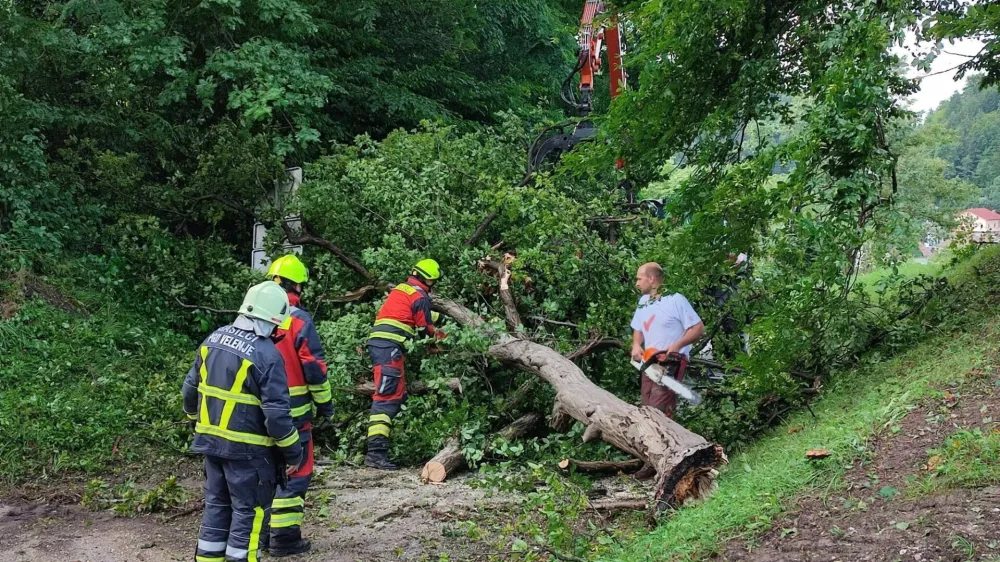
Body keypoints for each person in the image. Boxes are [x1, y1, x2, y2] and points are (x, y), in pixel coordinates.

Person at [182, 281, 303, 562]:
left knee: (216, 509)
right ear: (272, 320)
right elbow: (277, 417)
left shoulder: (213, 339)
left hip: (211, 446)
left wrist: (194, 419)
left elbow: (189, 390)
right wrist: (293, 453)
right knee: (248, 515)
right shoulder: (267, 355)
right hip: (250, 454)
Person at [265, 255, 333, 557]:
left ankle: (262, 534)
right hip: (293, 414)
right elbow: (314, 368)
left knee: (265, 472)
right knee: (295, 472)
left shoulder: (254, 314)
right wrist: (326, 405)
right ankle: (284, 538)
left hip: (256, 413)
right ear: (297, 286)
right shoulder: (298, 319)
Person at [364, 259, 445, 470]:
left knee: (396, 394)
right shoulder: (420, 297)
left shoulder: (402, 289)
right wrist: (436, 343)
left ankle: (377, 452)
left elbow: (417, 314)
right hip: (388, 349)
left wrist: (442, 318)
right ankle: (375, 453)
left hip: (382, 346)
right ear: (429, 280)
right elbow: (425, 329)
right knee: (387, 399)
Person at [629, 262, 704, 480]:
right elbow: (638, 327)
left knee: (659, 410)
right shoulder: (644, 302)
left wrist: (677, 345)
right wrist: (636, 345)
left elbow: (697, 328)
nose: (637, 283)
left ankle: (665, 461)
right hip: (649, 361)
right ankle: (651, 458)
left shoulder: (675, 299)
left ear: (652, 279)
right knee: (646, 408)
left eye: (639, 278)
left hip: (671, 360)